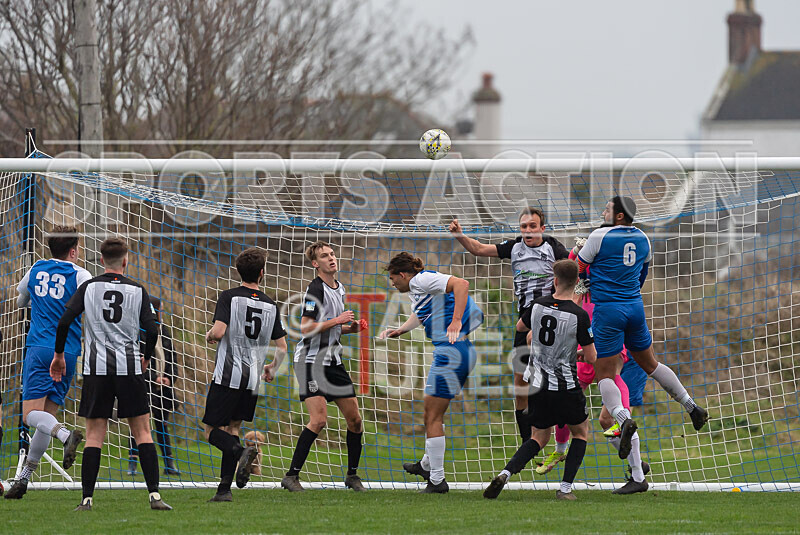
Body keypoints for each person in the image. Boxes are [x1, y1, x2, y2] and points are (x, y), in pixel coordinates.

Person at [576, 196, 709, 494]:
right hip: (635, 308)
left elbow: (580, 268)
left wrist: (588, 276)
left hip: (608, 311)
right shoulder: (644, 238)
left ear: (620, 216)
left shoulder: (599, 235)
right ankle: (691, 405)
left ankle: (624, 422)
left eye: (607, 209)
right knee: (651, 364)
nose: (602, 212)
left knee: (605, 376)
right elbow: (642, 276)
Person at [52, 237, 170, 511]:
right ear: (125, 261)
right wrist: (147, 357)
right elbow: (152, 330)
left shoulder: (88, 287)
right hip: (129, 367)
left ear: (101, 261)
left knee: (94, 435)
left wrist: (59, 355)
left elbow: (65, 321)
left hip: (96, 368)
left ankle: (87, 499)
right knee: (142, 431)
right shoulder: (138, 290)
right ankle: (154, 496)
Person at [450, 208, 569, 443]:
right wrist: (460, 235)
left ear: (542, 229)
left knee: (549, 379)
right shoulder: (514, 247)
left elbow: (573, 270)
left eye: (532, 226)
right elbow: (479, 249)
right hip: (524, 320)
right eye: (524, 226)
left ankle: (556, 431)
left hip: (549, 316)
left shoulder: (553, 248)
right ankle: (527, 440)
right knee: (520, 384)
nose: (527, 230)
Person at [483, 259, 596, 501]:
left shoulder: (536, 305)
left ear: (554, 280)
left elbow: (521, 328)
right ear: (577, 283)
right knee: (580, 433)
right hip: (565, 385)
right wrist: (574, 351)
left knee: (539, 437)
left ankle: (505, 473)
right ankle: (565, 489)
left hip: (537, 384)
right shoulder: (579, 316)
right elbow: (591, 357)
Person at [380, 252, 484, 493]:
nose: (393, 283)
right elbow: (421, 312)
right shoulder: (420, 288)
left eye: (393, 278)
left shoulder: (421, 280)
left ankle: (436, 480)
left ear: (403, 275)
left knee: (432, 417)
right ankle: (428, 465)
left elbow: (461, 284)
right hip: (455, 351)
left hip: (451, 352)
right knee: (431, 413)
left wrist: (456, 320)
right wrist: (402, 329)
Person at [5, 226, 88, 500]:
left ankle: (65, 436)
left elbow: (20, 300)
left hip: (40, 348)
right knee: (45, 417)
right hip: (69, 351)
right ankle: (23, 480)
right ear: (73, 251)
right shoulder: (81, 275)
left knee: (31, 416)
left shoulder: (37, 267)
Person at [278, 242, 368, 493]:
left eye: (332, 254)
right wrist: (337, 320)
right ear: (315, 264)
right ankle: (291, 476)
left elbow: (331, 327)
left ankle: (352, 475)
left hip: (333, 362)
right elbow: (306, 327)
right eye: (324, 256)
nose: (331, 258)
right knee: (318, 420)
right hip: (310, 361)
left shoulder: (339, 289)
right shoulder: (315, 289)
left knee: (355, 420)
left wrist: (351, 328)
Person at [203, 247, 288, 502]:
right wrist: (271, 369)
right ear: (262, 273)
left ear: (238, 271)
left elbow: (218, 333)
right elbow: (282, 348)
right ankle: (224, 490)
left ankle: (242, 453)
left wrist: (208, 335)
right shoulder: (271, 305)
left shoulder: (229, 297)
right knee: (233, 429)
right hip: (252, 379)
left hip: (228, 375)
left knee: (211, 431)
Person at [128, 296, 181, 477]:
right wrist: (152, 377)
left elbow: (172, 357)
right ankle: (132, 463)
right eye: (161, 309)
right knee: (138, 425)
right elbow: (137, 359)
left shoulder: (164, 330)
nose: (162, 313)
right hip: (145, 386)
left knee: (162, 425)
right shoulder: (138, 331)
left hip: (163, 389)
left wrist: (169, 378)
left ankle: (169, 463)